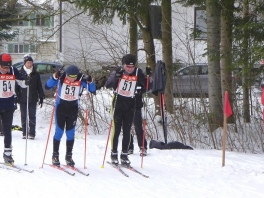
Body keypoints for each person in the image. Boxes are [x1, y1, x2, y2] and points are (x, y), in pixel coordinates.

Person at [45, 65, 96, 167]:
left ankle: (69, 156)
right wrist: (54, 76)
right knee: (59, 132)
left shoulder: (81, 79)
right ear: (66, 74)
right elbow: (47, 85)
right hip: (61, 108)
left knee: (70, 133)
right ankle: (55, 155)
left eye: (74, 77)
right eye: (70, 77)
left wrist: (90, 81)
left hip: (72, 109)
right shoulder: (62, 77)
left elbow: (93, 90)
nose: (71, 79)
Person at [105, 54, 146, 166]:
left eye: (132, 67)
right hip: (118, 102)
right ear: (123, 65)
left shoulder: (138, 72)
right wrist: (116, 77)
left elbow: (147, 87)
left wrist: (147, 79)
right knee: (116, 130)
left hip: (130, 103)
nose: (130, 69)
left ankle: (124, 155)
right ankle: (114, 154)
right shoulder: (118, 71)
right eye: (127, 67)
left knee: (127, 130)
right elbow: (107, 84)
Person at [0, 53, 26, 164]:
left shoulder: (13, 70)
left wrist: (26, 81)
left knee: (7, 130)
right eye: (3, 67)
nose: (6, 69)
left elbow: (23, 83)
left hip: (8, 105)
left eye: (7, 67)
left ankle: (8, 154)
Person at [16, 55, 45, 140]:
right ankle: (24, 132)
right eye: (28, 62)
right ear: (25, 63)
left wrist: (41, 95)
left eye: (31, 62)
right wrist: (17, 96)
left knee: (32, 115)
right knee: (24, 115)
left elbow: (39, 85)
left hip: (33, 97)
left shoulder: (35, 73)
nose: (30, 64)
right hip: (23, 98)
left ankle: (32, 132)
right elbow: (17, 86)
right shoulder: (20, 73)